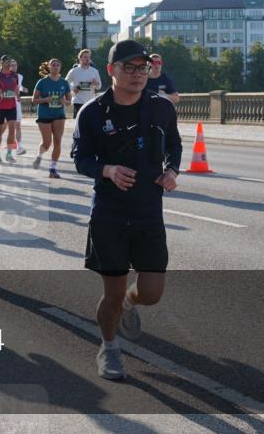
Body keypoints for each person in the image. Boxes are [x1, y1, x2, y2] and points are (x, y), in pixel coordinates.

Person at [71, 39, 181, 381]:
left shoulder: (161, 108)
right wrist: (107, 170)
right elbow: (80, 158)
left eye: (142, 68)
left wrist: (172, 171)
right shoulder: (91, 112)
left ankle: (130, 306)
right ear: (111, 71)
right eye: (129, 68)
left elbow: (174, 144)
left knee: (151, 292)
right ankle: (109, 348)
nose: (137, 75)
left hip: (149, 210)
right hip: (110, 212)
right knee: (112, 293)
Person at [32, 59, 72, 178]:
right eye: (53, 65)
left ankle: (53, 169)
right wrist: (45, 100)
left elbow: (69, 101)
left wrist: (64, 101)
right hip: (44, 114)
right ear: (49, 67)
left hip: (59, 114)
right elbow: (34, 100)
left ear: (60, 67)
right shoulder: (42, 82)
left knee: (58, 141)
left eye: (57, 65)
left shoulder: (64, 82)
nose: (55, 67)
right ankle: (39, 156)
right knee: (47, 142)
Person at [0, 55, 21, 163]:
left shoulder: (15, 75)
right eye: (7, 62)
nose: (9, 64)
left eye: (10, 62)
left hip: (11, 106)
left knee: (12, 130)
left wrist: (17, 95)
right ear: (2, 62)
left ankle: (9, 154)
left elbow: (16, 88)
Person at [66, 48, 102, 118]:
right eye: (85, 57)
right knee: (78, 124)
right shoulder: (74, 71)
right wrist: (73, 88)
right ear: (80, 58)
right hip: (78, 101)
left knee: (90, 124)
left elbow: (99, 86)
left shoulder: (94, 71)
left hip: (90, 101)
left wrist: (96, 84)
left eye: (89, 57)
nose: (87, 59)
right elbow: (65, 83)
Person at [10, 59, 28, 156]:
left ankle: (19, 147)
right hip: (4, 104)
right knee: (3, 127)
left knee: (17, 125)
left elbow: (18, 86)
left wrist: (23, 89)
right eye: (11, 65)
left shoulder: (19, 76)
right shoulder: (1, 76)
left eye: (15, 65)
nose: (13, 67)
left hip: (16, 104)